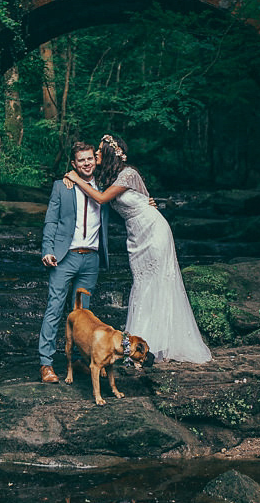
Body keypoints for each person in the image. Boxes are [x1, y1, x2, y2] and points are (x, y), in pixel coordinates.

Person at [63, 134, 212, 363]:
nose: (96, 156)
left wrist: (76, 178)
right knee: (143, 283)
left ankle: (156, 344)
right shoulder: (110, 179)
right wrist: (70, 179)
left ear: (111, 153)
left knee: (158, 281)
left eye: (100, 152)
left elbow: (107, 199)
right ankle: (146, 342)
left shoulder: (128, 174)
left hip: (154, 231)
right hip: (136, 237)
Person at [38, 142, 110, 383]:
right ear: (74, 164)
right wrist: (47, 249)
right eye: (81, 160)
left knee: (85, 315)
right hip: (64, 257)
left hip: (91, 259)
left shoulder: (105, 187)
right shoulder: (62, 186)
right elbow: (51, 221)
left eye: (90, 159)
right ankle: (46, 364)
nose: (87, 163)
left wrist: (148, 204)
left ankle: (82, 360)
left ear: (95, 160)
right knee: (55, 308)